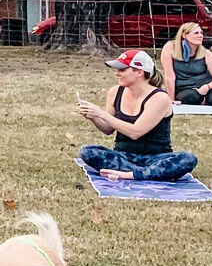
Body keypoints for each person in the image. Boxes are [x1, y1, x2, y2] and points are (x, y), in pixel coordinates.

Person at [76, 49, 198, 181]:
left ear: (139, 72)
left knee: (188, 159)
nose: (117, 74)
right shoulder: (115, 92)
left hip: (155, 158)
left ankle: (131, 174)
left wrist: (101, 113)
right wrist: (93, 116)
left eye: (122, 70)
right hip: (123, 156)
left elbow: (136, 132)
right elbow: (108, 129)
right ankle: (146, 173)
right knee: (87, 151)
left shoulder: (159, 98)